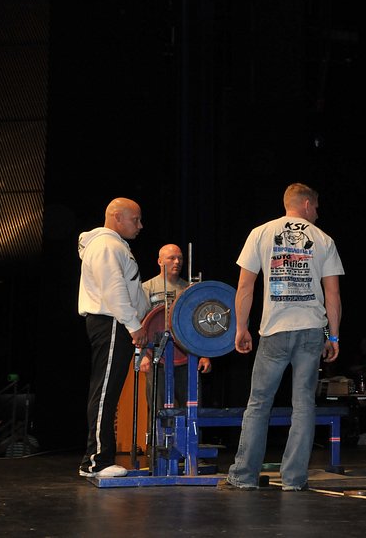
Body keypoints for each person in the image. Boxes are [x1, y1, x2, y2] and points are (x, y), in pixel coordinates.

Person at [222, 183, 344, 491]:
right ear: (306, 204)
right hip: (311, 331)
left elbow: (245, 286)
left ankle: (244, 476)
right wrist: (334, 336)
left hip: (274, 331)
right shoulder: (324, 239)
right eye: (316, 207)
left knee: (259, 403)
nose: (317, 213)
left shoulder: (260, 233)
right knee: (303, 405)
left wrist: (241, 328)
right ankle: (294, 479)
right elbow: (332, 294)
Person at [77, 198, 150, 478]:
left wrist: (144, 315)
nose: (140, 225)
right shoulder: (106, 245)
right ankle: (95, 462)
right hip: (111, 323)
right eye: (136, 219)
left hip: (116, 323)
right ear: (117, 217)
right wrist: (134, 325)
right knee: (104, 391)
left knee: (108, 391)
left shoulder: (116, 245)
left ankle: (98, 458)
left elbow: (129, 290)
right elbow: (114, 289)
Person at [139, 244, 211, 414]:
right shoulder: (147, 288)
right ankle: (159, 433)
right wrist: (143, 355)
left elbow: (199, 324)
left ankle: (191, 433)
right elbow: (139, 323)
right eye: (172, 258)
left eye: (180, 258)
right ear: (160, 261)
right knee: (159, 411)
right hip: (157, 358)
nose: (177, 262)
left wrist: (204, 354)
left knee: (192, 409)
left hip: (186, 358)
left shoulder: (189, 289)